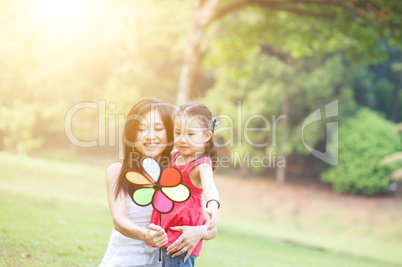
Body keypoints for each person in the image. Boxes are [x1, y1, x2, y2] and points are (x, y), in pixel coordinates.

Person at [99, 99, 217, 267]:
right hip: (122, 260)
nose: (150, 136)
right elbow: (118, 220)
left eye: (158, 129)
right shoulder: (117, 171)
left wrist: (197, 232)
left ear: (169, 132)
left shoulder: (176, 172)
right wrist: (145, 235)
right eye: (141, 129)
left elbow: (211, 227)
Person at [150, 102, 220, 267]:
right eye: (178, 132)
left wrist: (213, 204)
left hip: (181, 241)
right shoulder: (174, 157)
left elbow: (210, 187)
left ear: (206, 136)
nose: (182, 139)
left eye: (190, 134)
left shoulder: (201, 164)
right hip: (164, 236)